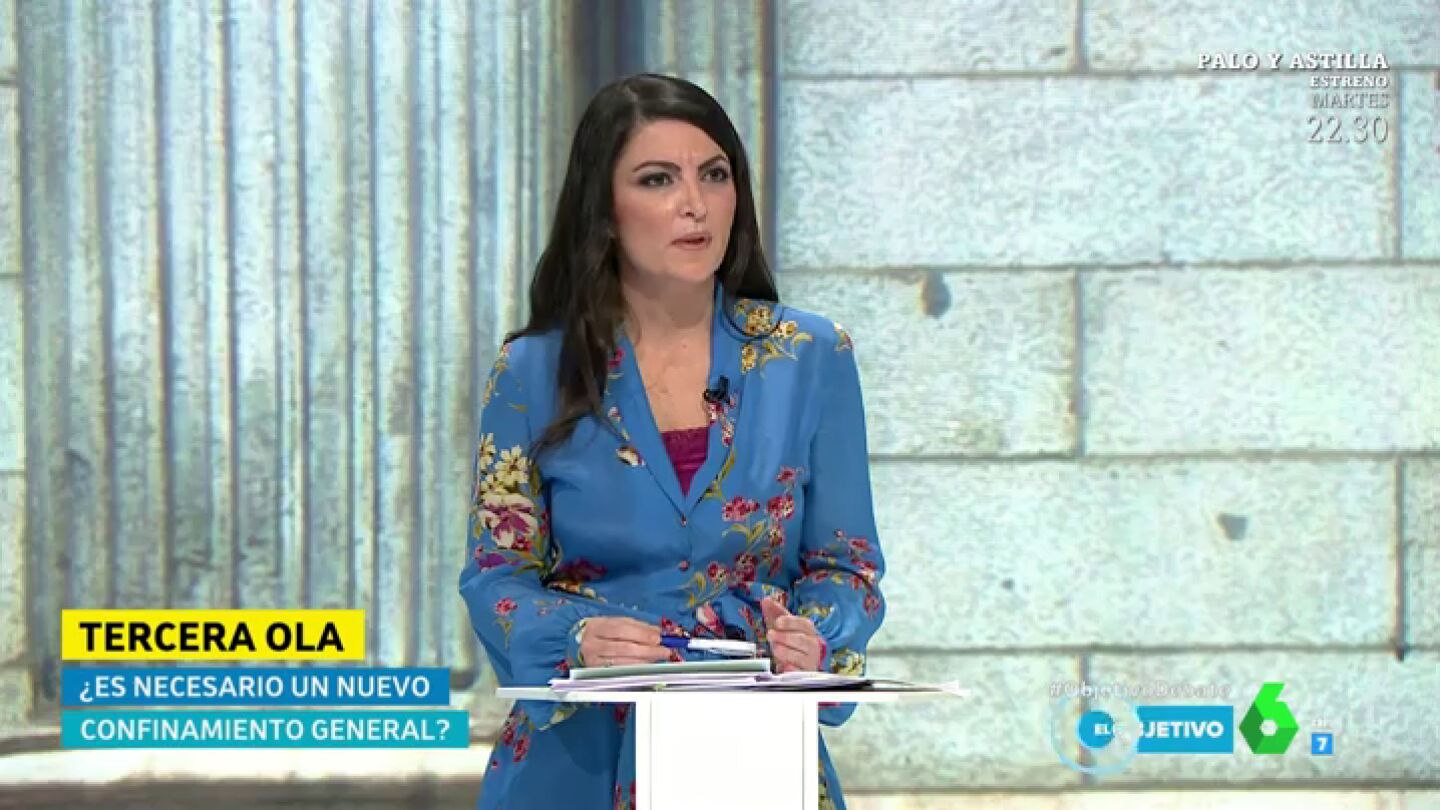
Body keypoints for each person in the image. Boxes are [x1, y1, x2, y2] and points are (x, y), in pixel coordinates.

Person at [458, 73, 886, 810]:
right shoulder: (532, 372)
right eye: (658, 179)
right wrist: (575, 637)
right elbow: (496, 577)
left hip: (753, 755)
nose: (695, 203)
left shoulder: (811, 356)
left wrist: (812, 636)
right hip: (577, 764)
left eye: (714, 175)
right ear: (604, 211)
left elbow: (847, 566)